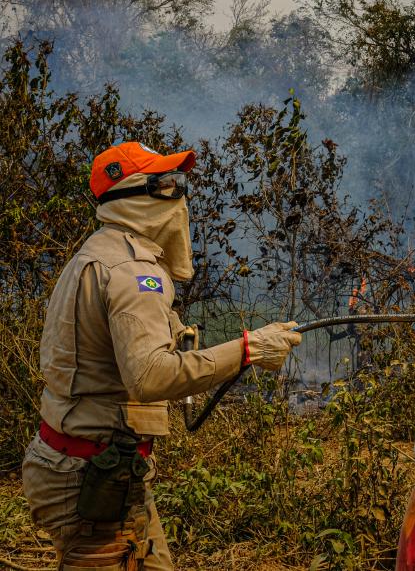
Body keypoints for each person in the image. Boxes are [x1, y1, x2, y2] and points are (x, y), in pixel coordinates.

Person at [21, 142, 302, 570]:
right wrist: (249, 349)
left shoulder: (98, 252)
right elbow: (149, 376)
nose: (179, 195)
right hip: (91, 477)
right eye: (167, 184)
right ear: (134, 196)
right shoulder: (134, 272)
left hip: (92, 466)